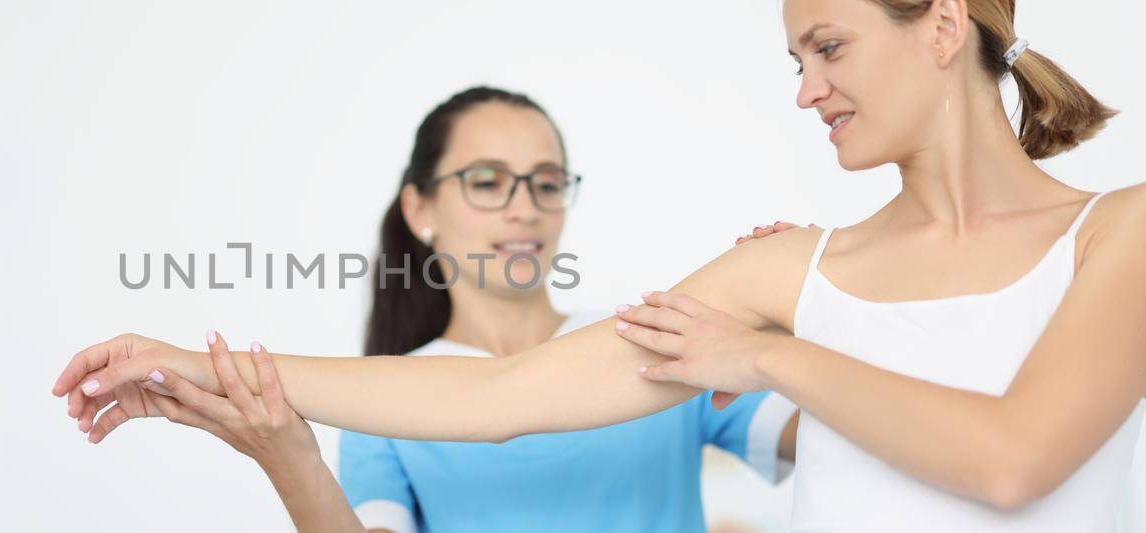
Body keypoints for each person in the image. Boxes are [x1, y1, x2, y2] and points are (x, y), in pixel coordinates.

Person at [59, 0, 1145, 530]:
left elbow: (1012, 459)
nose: (805, 89)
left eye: (828, 46)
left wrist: (774, 356)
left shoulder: (1120, 231)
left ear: (943, 25)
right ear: (422, 209)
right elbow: (493, 396)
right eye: (795, 58)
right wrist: (189, 364)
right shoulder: (785, 277)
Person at [73, 86, 801, 532]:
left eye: (546, 182)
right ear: (420, 207)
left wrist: (800, 312)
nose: (524, 207)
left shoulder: (654, 341)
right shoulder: (386, 402)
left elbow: (835, 432)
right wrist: (289, 456)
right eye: (487, 181)